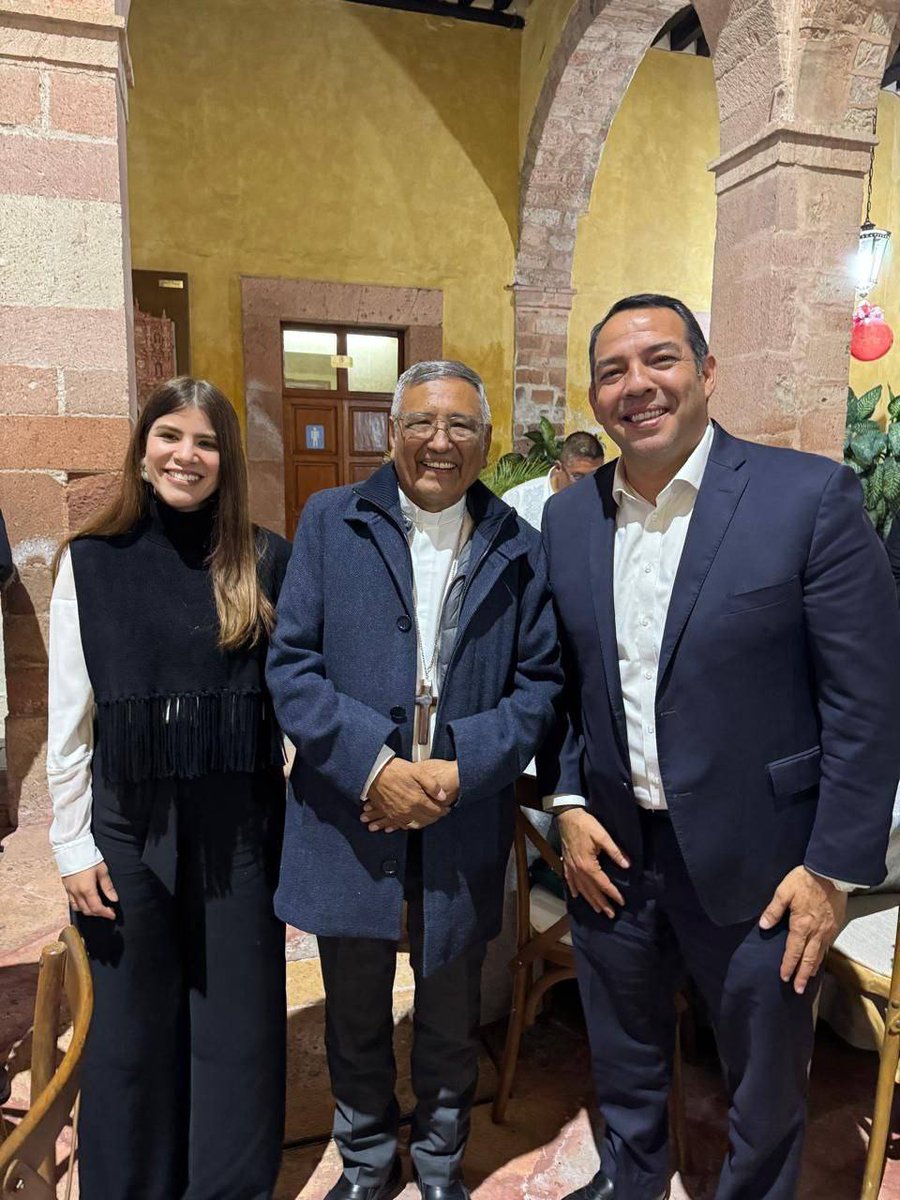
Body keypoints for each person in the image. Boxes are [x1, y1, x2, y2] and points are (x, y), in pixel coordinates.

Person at [539, 294, 900, 1200]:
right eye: (613, 371)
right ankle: (632, 1181)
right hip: (615, 853)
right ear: (594, 396)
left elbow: (868, 701)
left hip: (764, 862)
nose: (637, 386)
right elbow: (572, 685)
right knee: (623, 1060)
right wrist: (570, 803)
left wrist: (829, 868)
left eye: (659, 360)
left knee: (764, 1080)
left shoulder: (806, 497)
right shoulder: (571, 520)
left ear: (707, 373)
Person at [267, 360, 561, 1200]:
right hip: (349, 809)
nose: (441, 441)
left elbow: (539, 685)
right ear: (392, 433)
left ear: (487, 440)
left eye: (461, 425)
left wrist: (462, 764)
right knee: (355, 1006)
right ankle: (365, 1161)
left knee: (447, 1009)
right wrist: (376, 765)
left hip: (460, 812)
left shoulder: (519, 544)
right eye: (423, 423)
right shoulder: (331, 520)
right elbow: (291, 669)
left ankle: (437, 1166)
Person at [47, 377, 290, 1200]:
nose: (187, 455)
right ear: (143, 449)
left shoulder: (261, 560)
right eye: (170, 436)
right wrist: (71, 841)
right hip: (127, 820)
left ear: (227, 460)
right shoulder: (91, 561)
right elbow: (70, 718)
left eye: (207, 441)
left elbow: (291, 702)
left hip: (236, 825)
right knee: (128, 1027)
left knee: (238, 1025)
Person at [504, 430, 604, 530]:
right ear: (558, 467)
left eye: (595, 477)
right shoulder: (517, 500)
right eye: (578, 477)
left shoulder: (606, 502)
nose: (588, 485)